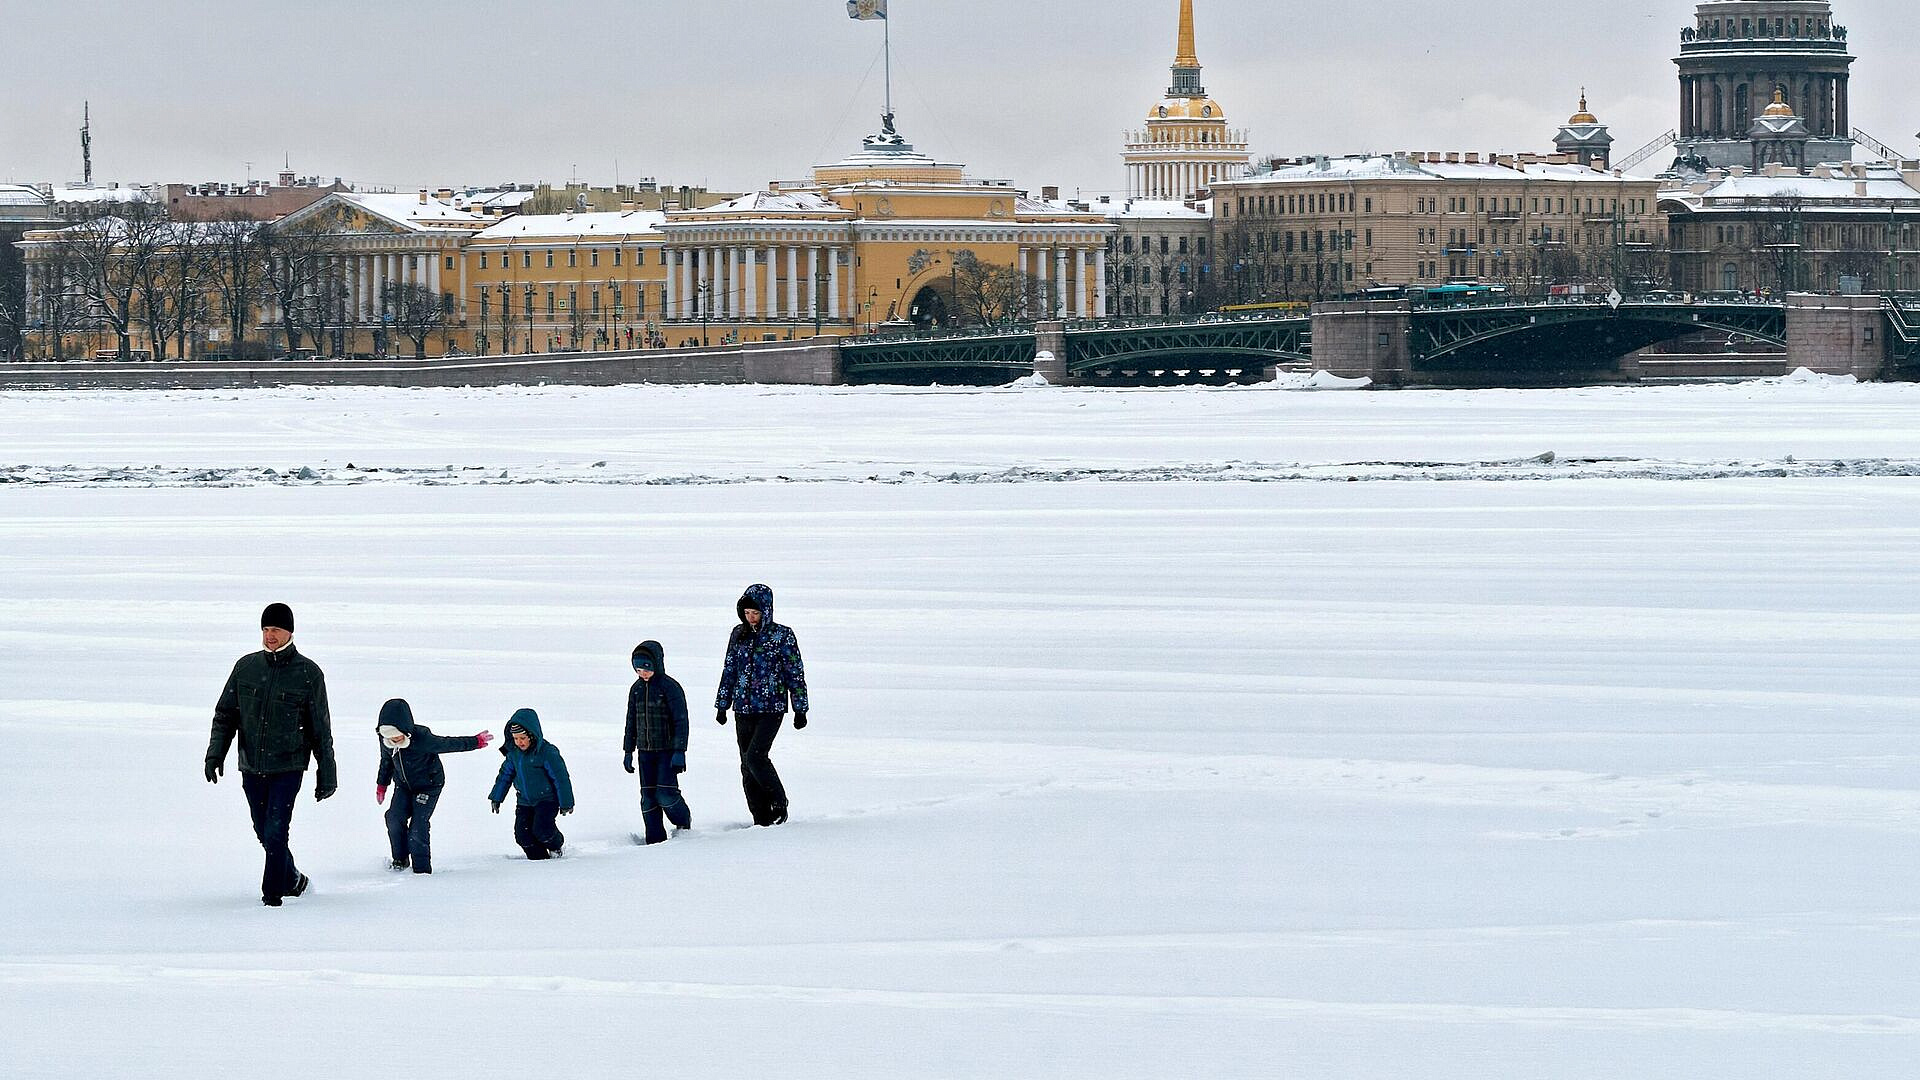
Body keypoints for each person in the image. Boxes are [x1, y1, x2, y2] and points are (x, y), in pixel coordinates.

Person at [204, 603, 337, 907]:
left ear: (290, 631)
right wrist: (215, 754)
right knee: (263, 830)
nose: (270, 635)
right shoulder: (246, 667)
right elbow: (225, 715)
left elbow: (320, 729)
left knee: (277, 830)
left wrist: (326, 773)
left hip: (288, 766)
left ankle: (271, 897)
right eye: (265, 629)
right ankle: (292, 878)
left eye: (275, 629)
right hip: (251, 765)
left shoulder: (308, 673)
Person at [714, 584, 810, 826]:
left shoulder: (782, 635)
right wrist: (722, 704)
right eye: (746, 613)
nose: (750, 618)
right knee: (746, 765)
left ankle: (779, 801)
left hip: (771, 708)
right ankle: (761, 819)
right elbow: (729, 670)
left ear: (766, 611)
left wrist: (800, 708)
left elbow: (794, 673)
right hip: (743, 709)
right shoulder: (738, 634)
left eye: (755, 613)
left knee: (756, 757)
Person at [375, 699, 493, 874]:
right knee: (393, 817)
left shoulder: (422, 738)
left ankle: (422, 871)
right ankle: (400, 860)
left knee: (418, 826)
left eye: (397, 736)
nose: (394, 740)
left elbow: (448, 744)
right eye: (390, 737)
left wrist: (475, 742)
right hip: (403, 786)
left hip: (428, 786)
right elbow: (386, 761)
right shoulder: (386, 740)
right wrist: (382, 784)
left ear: (406, 730)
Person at [623, 641, 691, 844]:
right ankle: (654, 840)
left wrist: (679, 750)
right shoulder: (635, 690)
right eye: (638, 669)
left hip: (667, 752)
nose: (642, 673)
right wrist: (628, 750)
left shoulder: (669, 687)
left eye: (646, 668)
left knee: (666, 794)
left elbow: (681, 721)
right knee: (648, 799)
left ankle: (683, 821)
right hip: (645, 752)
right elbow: (630, 722)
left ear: (656, 664)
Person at [487, 709, 574, 859]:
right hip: (524, 802)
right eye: (515, 738)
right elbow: (505, 776)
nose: (519, 742)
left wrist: (566, 802)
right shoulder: (514, 754)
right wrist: (497, 797)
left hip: (546, 800)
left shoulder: (547, 752)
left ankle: (556, 845)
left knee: (542, 830)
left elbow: (561, 778)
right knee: (523, 836)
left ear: (532, 735)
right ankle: (539, 860)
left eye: (522, 738)